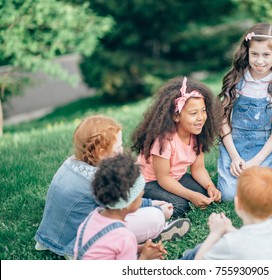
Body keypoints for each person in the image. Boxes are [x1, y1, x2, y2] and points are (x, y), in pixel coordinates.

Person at [35, 115, 190, 259]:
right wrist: (156, 207)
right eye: (118, 148)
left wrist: (152, 202)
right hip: (80, 243)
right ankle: (157, 230)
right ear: (102, 153)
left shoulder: (71, 162)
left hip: (49, 235)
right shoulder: (99, 178)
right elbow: (124, 205)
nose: (122, 151)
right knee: (154, 217)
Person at [217, 22, 272, 201]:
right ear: (247, 52)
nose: (260, 61)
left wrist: (255, 162)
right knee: (229, 196)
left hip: (262, 148)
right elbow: (223, 121)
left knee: (256, 193)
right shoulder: (236, 80)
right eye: (254, 54)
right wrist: (235, 157)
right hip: (235, 146)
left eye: (266, 55)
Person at [131, 77, 221, 217]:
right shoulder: (164, 141)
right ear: (176, 116)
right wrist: (191, 196)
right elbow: (164, 178)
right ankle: (142, 204)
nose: (201, 118)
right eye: (193, 113)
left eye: (203, 111)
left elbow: (198, 168)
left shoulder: (197, 136)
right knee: (179, 206)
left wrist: (210, 186)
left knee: (203, 192)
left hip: (175, 177)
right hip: (149, 183)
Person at [181, 166, 272, 260]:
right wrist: (229, 229)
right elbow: (252, 243)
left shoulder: (231, 243)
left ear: (237, 203)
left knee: (200, 249)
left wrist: (215, 233)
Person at [74, 153, 167, 260]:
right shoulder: (125, 237)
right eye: (140, 195)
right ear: (128, 203)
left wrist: (138, 248)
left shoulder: (92, 216)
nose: (142, 197)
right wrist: (145, 257)